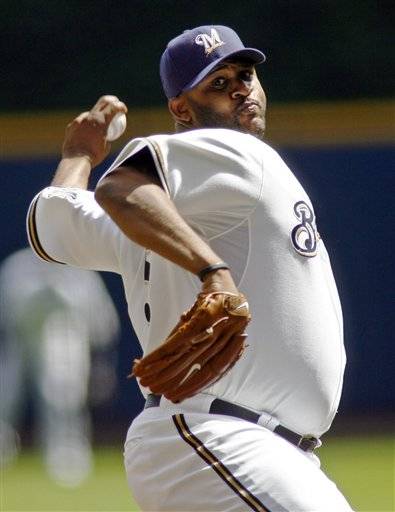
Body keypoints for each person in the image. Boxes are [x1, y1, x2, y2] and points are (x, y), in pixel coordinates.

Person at [26, 25, 353, 511]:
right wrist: (213, 272)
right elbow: (122, 187)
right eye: (217, 83)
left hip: (233, 447)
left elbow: (50, 227)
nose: (241, 87)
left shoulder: (149, 220)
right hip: (221, 438)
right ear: (181, 109)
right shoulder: (236, 152)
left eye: (245, 74)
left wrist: (78, 155)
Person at [0, 247, 119, 486]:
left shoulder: (79, 271)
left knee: (62, 400)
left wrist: (99, 358)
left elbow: (102, 319)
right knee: (6, 398)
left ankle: (66, 455)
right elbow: (8, 311)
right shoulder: (18, 265)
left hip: (65, 343)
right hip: (21, 343)